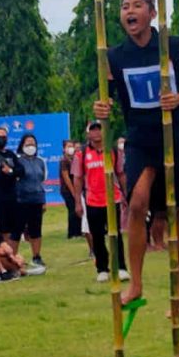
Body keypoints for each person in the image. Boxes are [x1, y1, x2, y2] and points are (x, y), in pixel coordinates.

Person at [92, 0, 179, 314]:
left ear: (152, 13)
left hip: (177, 134)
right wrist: (101, 109)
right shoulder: (112, 57)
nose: (130, 12)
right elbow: (105, 100)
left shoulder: (172, 46)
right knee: (138, 202)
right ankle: (136, 283)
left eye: (137, 6)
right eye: (125, 7)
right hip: (141, 137)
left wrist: (178, 97)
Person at [73, 120, 130, 282]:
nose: (97, 132)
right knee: (97, 236)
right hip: (92, 200)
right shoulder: (81, 154)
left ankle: (121, 267)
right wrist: (78, 201)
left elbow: (120, 174)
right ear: (88, 133)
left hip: (113, 199)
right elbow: (77, 178)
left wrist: (126, 195)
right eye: (93, 130)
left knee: (115, 234)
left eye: (99, 129)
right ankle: (102, 269)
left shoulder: (113, 151)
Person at [13, 134, 48, 267]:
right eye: (27, 143)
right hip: (21, 200)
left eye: (33, 143)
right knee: (17, 230)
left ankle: (36, 256)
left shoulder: (40, 161)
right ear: (22, 145)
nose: (30, 146)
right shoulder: (18, 161)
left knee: (36, 230)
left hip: (37, 199)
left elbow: (41, 180)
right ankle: (13, 257)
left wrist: (43, 200)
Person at [60, 139, 81, 239]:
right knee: (72, 210)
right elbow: (66, 178)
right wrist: (73, 192)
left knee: (77, 210)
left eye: (72, 146)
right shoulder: (63, 161)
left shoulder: (75, 159)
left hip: (76, 189)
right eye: (68, 146)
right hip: (67, 190)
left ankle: (79, 231)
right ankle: (72, 233)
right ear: (64, 149)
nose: (71, 148)